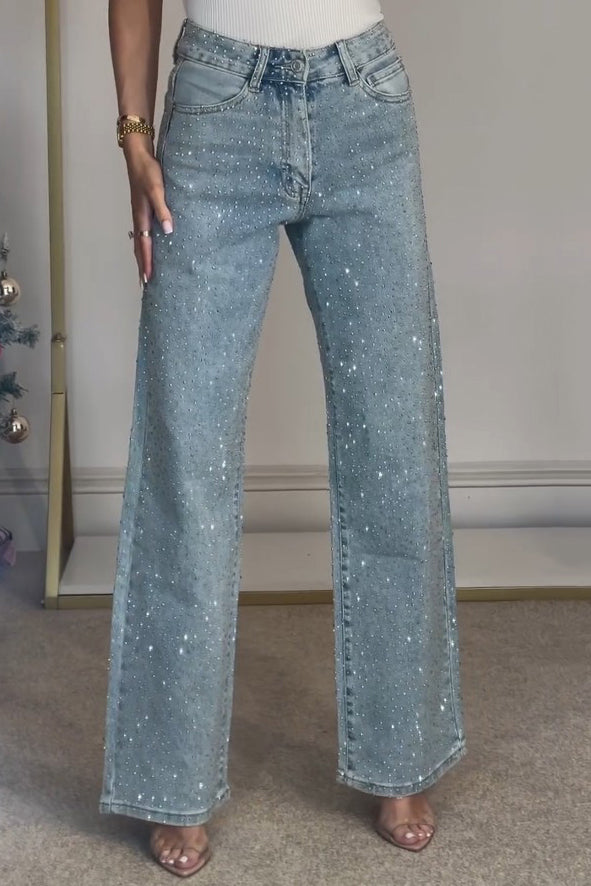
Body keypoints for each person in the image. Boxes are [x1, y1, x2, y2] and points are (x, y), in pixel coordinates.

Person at [99, 0, 467, 877]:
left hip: (362, 100)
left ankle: (402, 755)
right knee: (186, 457)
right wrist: (134, 133)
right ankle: (172, 782)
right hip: (216, 107)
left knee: (395, 448)